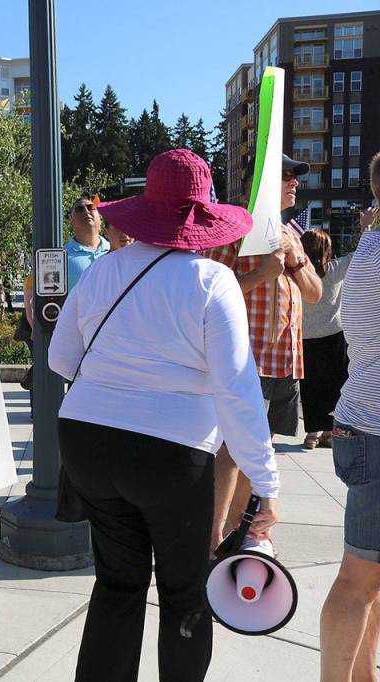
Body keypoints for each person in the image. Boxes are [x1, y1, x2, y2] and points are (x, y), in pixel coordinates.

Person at [49, 150, 280, 682]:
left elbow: (61, 358)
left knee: (116, 584)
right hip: (172, 455)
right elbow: (238, 391)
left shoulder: (105, 269)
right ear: (202, 217)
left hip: (88, 442)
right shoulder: (212, 282)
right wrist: (266, 485)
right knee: (184, 593)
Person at [204, 154, 322, 547]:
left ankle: (235, 535)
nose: (294, 183)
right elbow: (209, 295)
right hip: (244, 360)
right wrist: (260, 275)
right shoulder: (233, 227)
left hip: (281, 363)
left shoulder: (291, 230)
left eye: (296, 177)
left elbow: (315, 293)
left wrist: (297, 259)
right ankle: (212, 538)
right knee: (231, 452)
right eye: (286, 175)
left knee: (258, 452)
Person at [319, 151, 380, 682]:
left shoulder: (368, 247)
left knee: (368, 578)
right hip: (377, 426)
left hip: (363, 416)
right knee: (359, 579)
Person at [299, 228, 353, 449]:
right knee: (335, 385)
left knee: (309, 386)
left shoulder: (297, 274)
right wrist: (367, 227)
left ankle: (312, 434)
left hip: (305, 337)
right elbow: (358, 255)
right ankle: (330, 433)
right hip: (334, 335)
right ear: (327, 249)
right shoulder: (335, 270)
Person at [65, 196, 109, 291]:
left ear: (100, 217)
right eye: (79, 209)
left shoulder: (115, 250)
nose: (86, 211)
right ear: (71, 220)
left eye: (91, 207)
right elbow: (31, 288)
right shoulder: (61, 256)